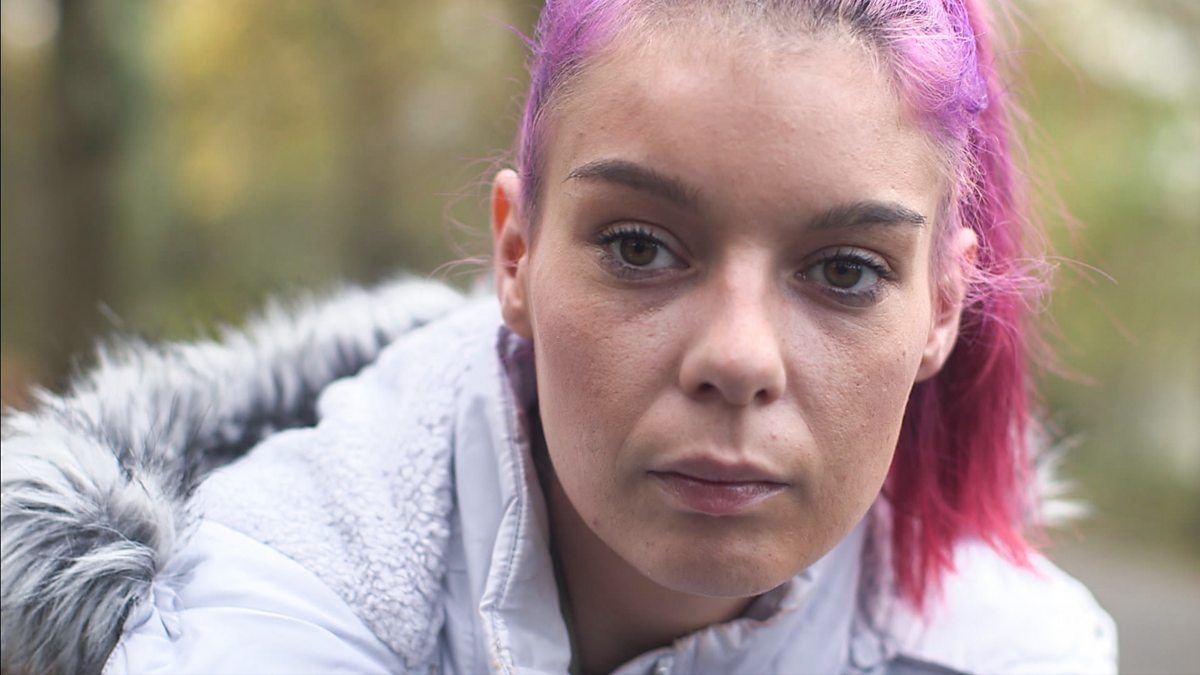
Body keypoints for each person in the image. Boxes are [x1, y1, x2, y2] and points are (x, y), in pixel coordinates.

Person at [1, 0, 1117, 673]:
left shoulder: (1010, 651)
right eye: (639, 246)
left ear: (941, 307)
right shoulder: (275, 598)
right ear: (516, 256)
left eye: (845, 271)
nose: (737, 358)